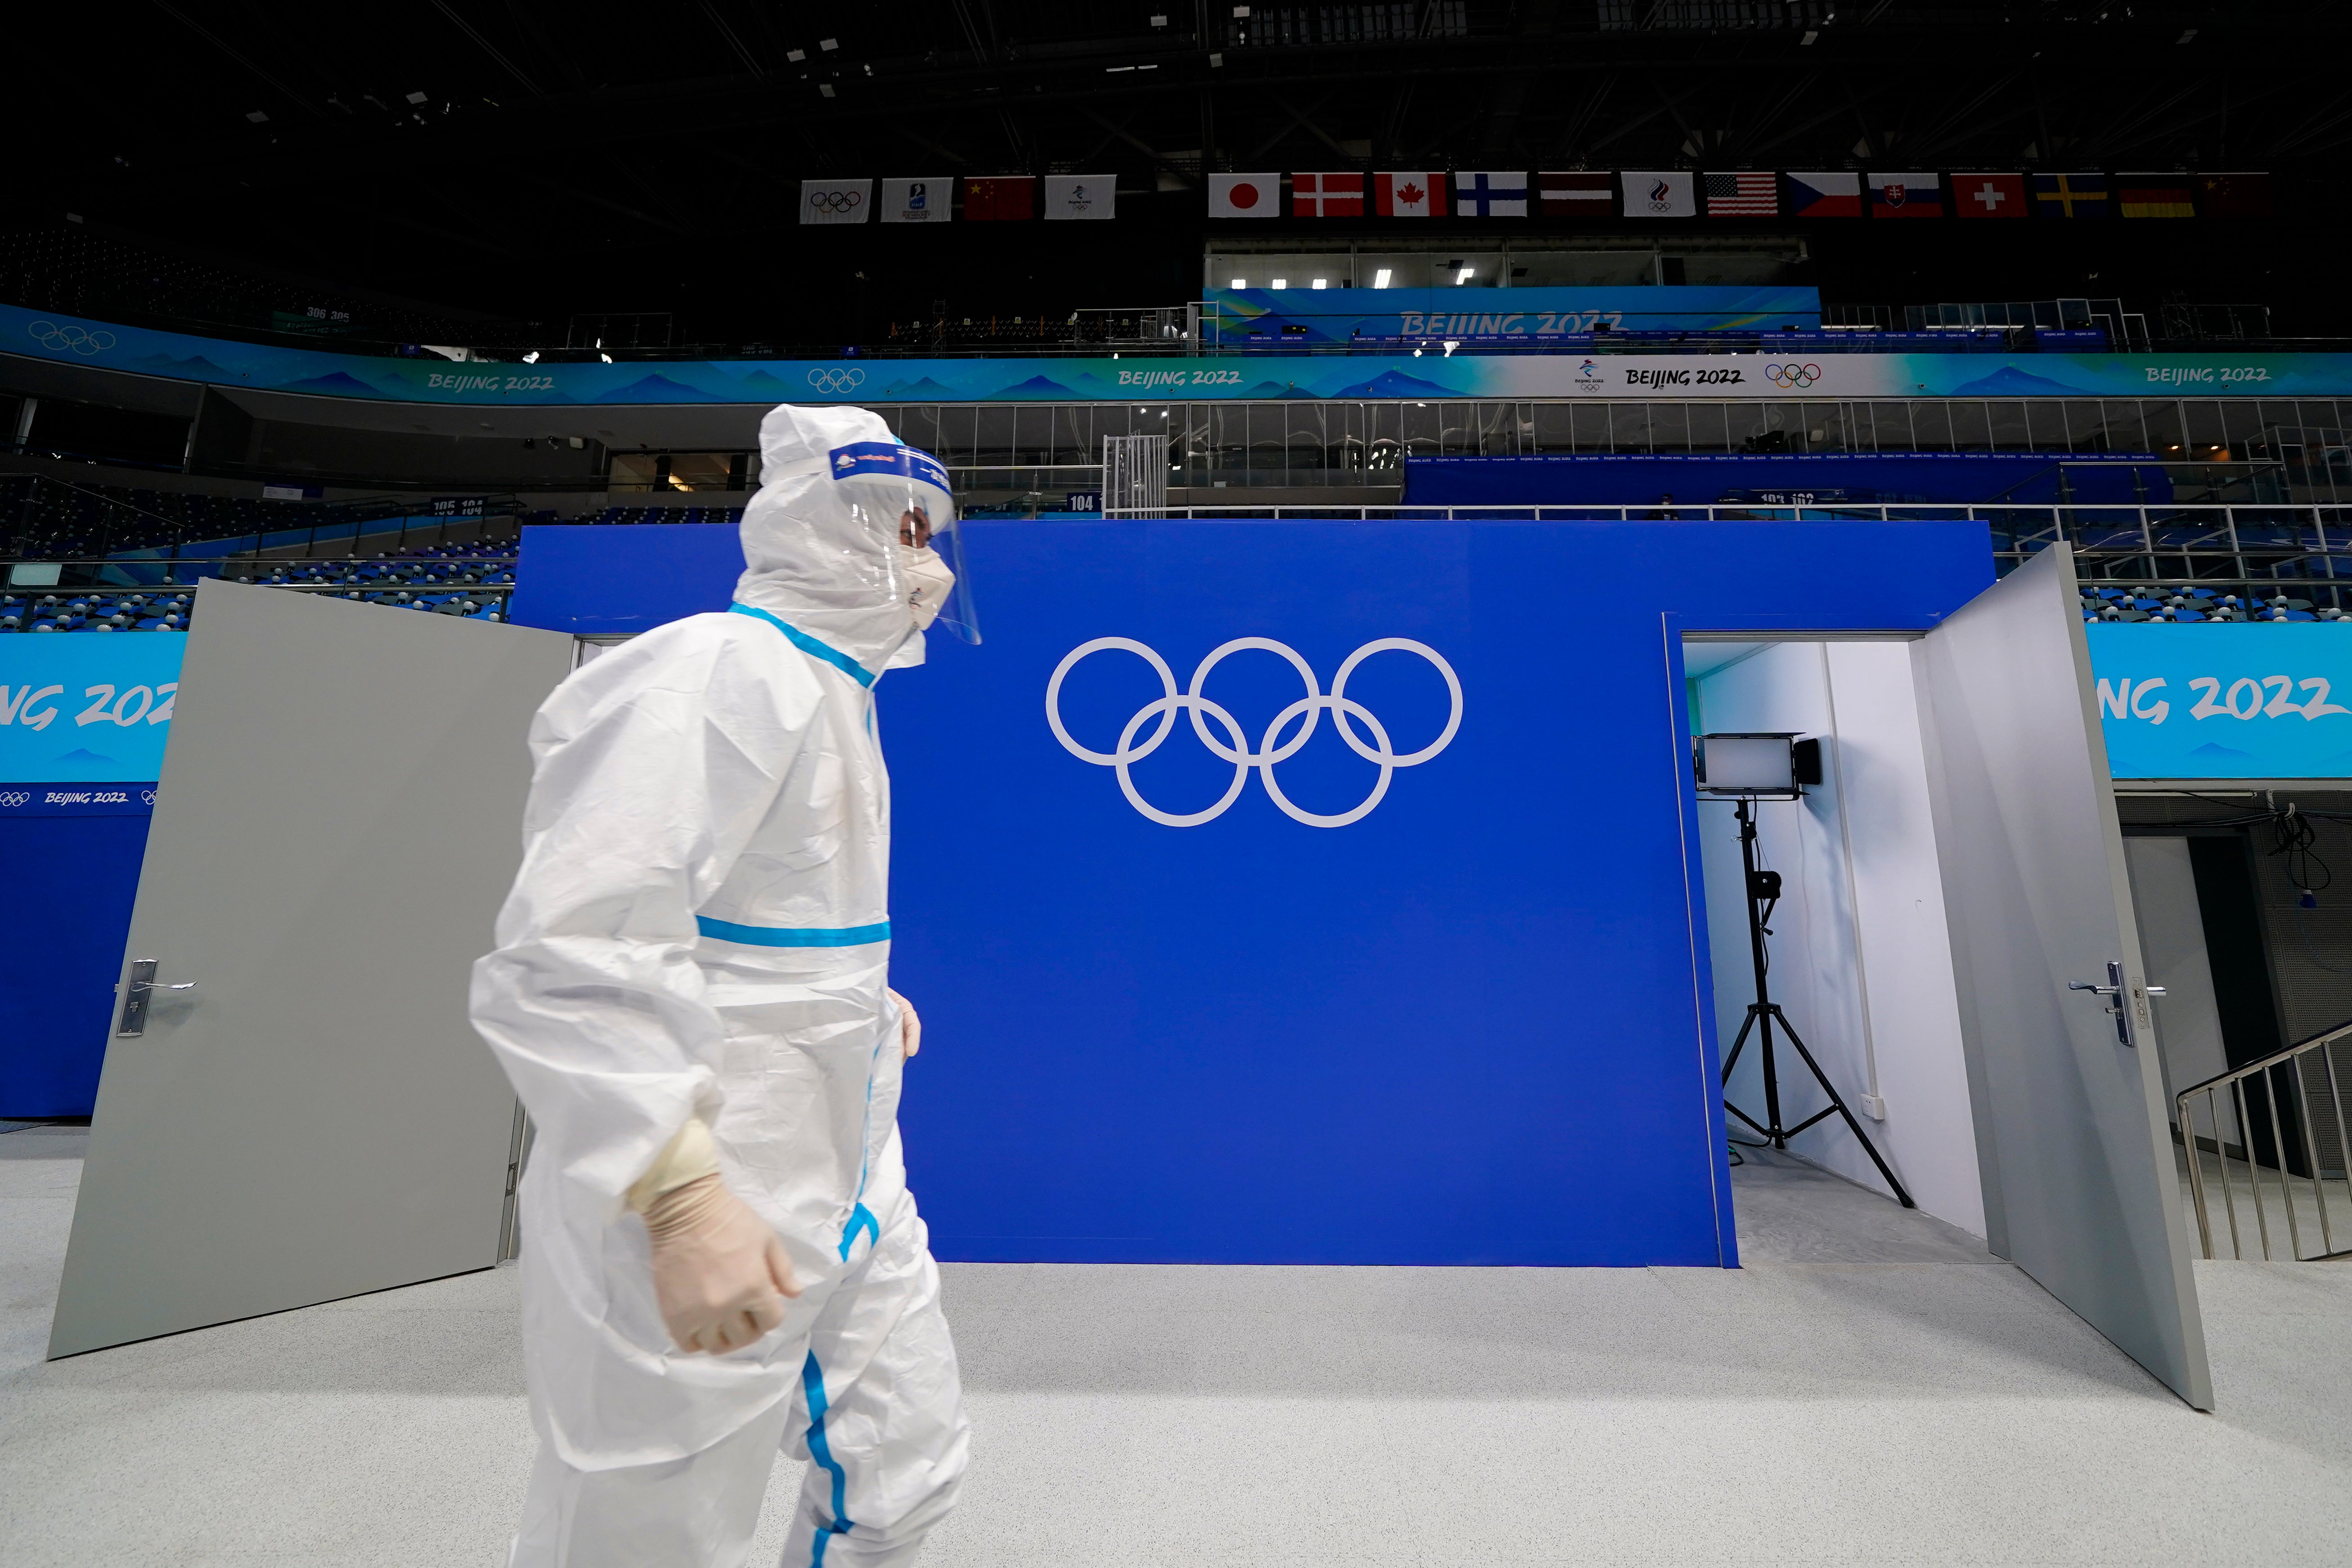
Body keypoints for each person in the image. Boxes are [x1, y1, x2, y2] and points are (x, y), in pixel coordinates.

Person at [472, 402, 978, 1568]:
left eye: (925, 531)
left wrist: (853, 999)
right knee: (646, 1526)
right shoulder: (715, 670)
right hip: (705, 1170)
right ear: (816, 528)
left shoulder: (835, 695)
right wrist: (681, 1197)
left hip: (848, 1164)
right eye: (895, 528)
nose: (922, 562)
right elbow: (571, 952)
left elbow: (750, 921)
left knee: (902, 1467)